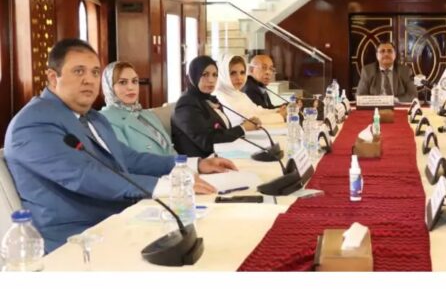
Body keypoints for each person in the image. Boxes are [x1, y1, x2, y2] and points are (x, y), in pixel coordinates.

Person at [3, 39, 236, 252]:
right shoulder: (32, 123)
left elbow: (130, 159)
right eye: (78, 71)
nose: (89, 80)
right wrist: (164, 186)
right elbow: (82, 175)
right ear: (53, 78)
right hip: (76, 240)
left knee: (216, 234)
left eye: (95, 72)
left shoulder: (93, 118)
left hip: (119, 220)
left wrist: (195, 165)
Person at [172, 55, 261, 157]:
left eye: (215, 75)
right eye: (205, 74)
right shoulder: (186, 104)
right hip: (202, 161)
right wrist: (242, 128)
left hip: (220, 154)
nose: (211, 80)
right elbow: (207, 142)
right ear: (194, 76)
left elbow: (221, 131)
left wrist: (245, 125)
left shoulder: (207, 99)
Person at [100, 61, 177, 156]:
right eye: (123, 82)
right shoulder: (105, 118)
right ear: (109, 87)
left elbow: (170, 151)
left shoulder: (149, 115)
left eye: (134, 81)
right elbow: (125, 159)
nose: (130, 87)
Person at [214, 54, 285, 126]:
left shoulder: (240, 95)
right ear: (223, 74)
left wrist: (278, 111)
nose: (239, 77)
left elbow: (257, 111)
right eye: (233, 73)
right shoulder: (219, 97)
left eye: (242, 73)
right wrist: (280, 116)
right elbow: (246, 121)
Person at [242, 54, 287, 118]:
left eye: (271, 69)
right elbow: (263, 115)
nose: (268, 72)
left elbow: (269, 108)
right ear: (251, 70)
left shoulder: (259, 86)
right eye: (264, 68)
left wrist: (286, 106)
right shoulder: (250, 89)